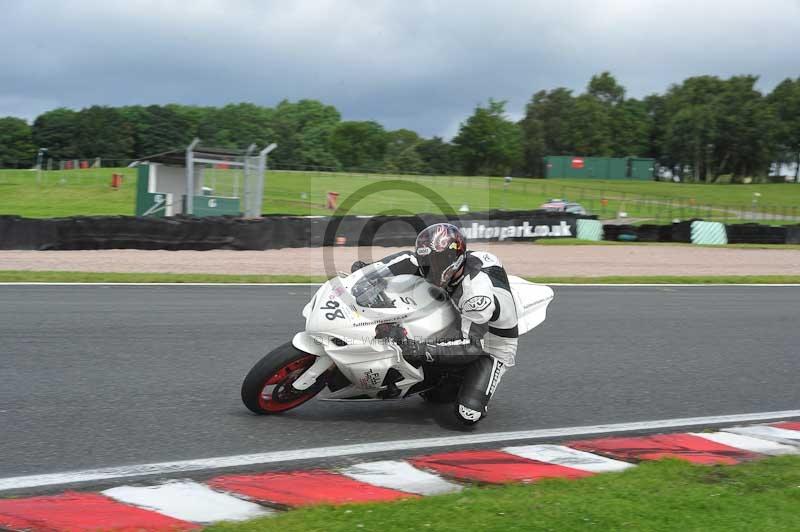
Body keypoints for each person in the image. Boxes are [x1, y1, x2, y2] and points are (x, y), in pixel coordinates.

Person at [351, 223, 518, 424]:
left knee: (467, 414)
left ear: (454, 259)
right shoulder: (434, 262)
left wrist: (417, 348)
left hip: (489, 345)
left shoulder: (475, 294)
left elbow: (472, 346)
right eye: (426, 261)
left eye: (437, 261)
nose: (430, 268)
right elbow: (406, 259)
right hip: (456, 317)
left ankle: (465, 377)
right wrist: (367, 274)